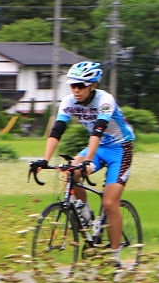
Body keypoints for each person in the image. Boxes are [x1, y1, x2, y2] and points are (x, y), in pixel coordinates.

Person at [30, 60, 135, 266]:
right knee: (70, 171)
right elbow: (57, 131)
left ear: (92, 85)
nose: (76, 90)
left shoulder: (105, 100)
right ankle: (86, 219)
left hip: (120, 149)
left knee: (109, 203)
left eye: (81, 86)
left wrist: (87, 161)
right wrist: (45, 159)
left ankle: (114, 258)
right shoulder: (69, 101)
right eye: (73, 85)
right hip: (98, 147)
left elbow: (97, 132)